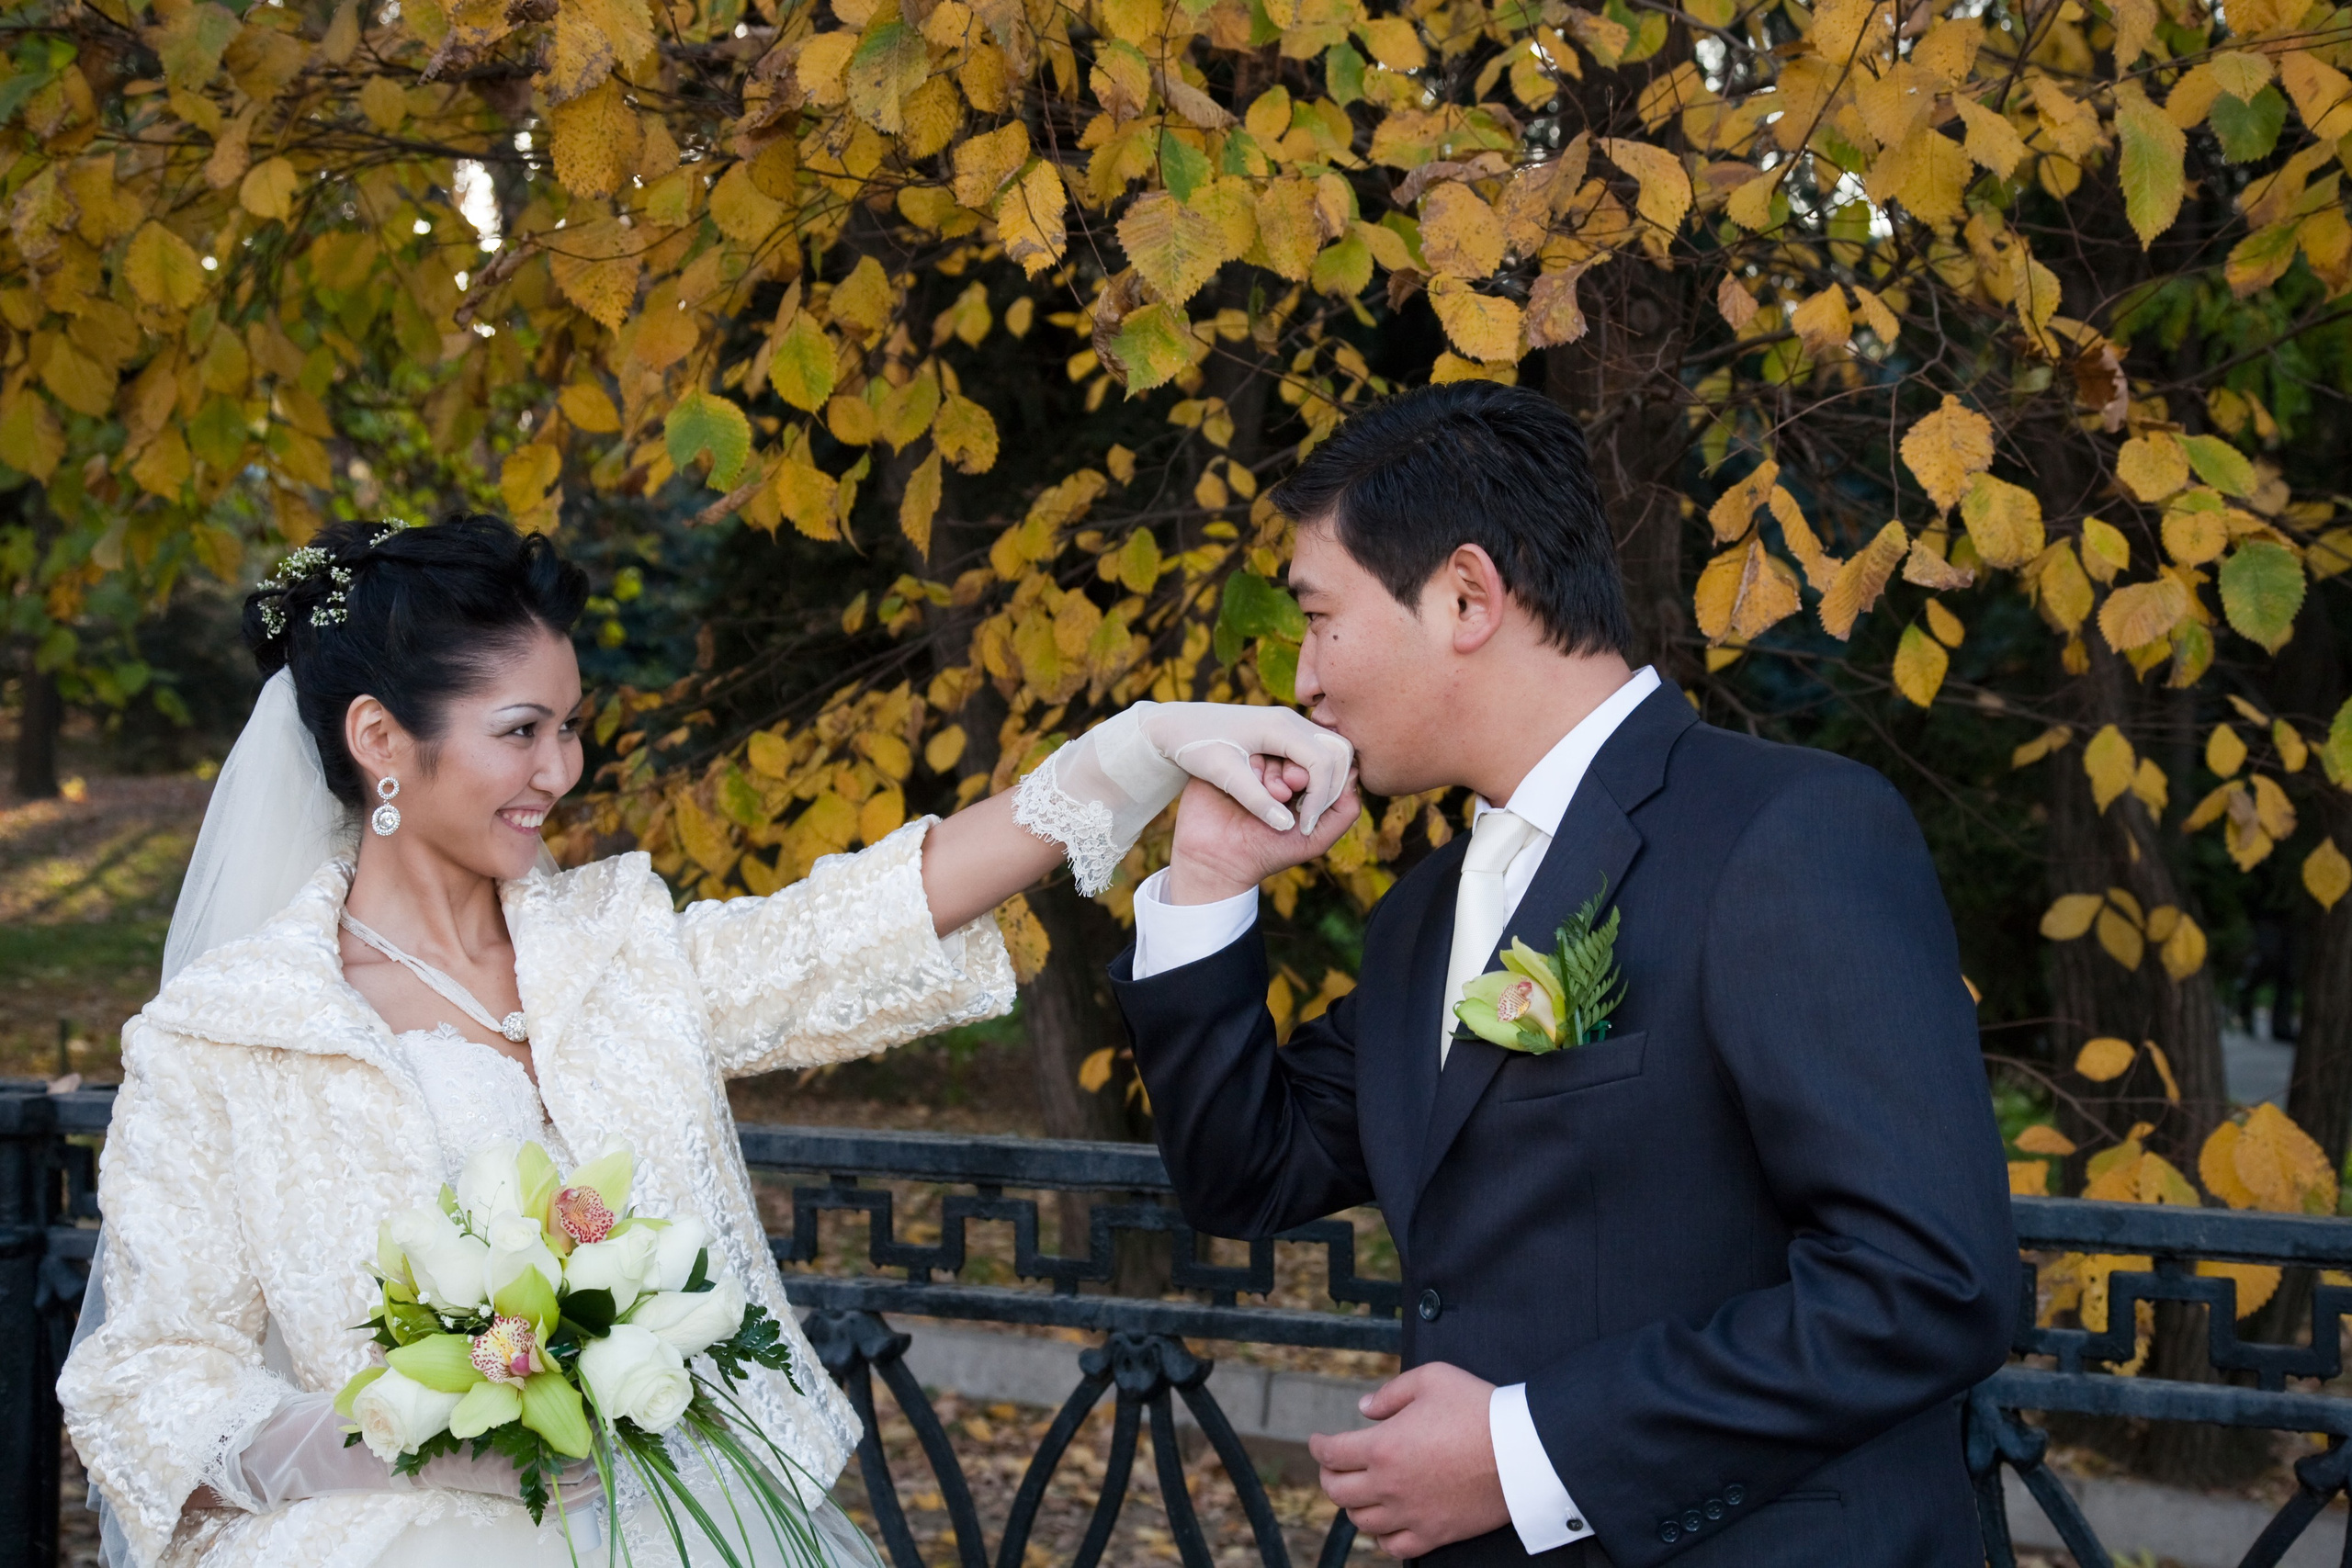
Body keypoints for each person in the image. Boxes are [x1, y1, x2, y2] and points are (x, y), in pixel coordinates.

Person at [58, 512, 1351, 1568]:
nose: (560, 769)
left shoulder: (617, 945)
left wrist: (1144, 749)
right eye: (522, 732)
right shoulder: (228, 1035)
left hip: (689, 1525)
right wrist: (396, 1437)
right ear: (382, 743)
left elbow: (855, 921)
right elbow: (148, 1375)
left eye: (569, 725)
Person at [1108, 382, 2019, 1567]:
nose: (1307, 679)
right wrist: (1209, 882)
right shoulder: (1426, 912)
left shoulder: (1790, 832)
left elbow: (1929, 1284)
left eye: (1321, 618)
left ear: (1468, 596)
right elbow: (1246, 1175)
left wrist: (1528, 1451)